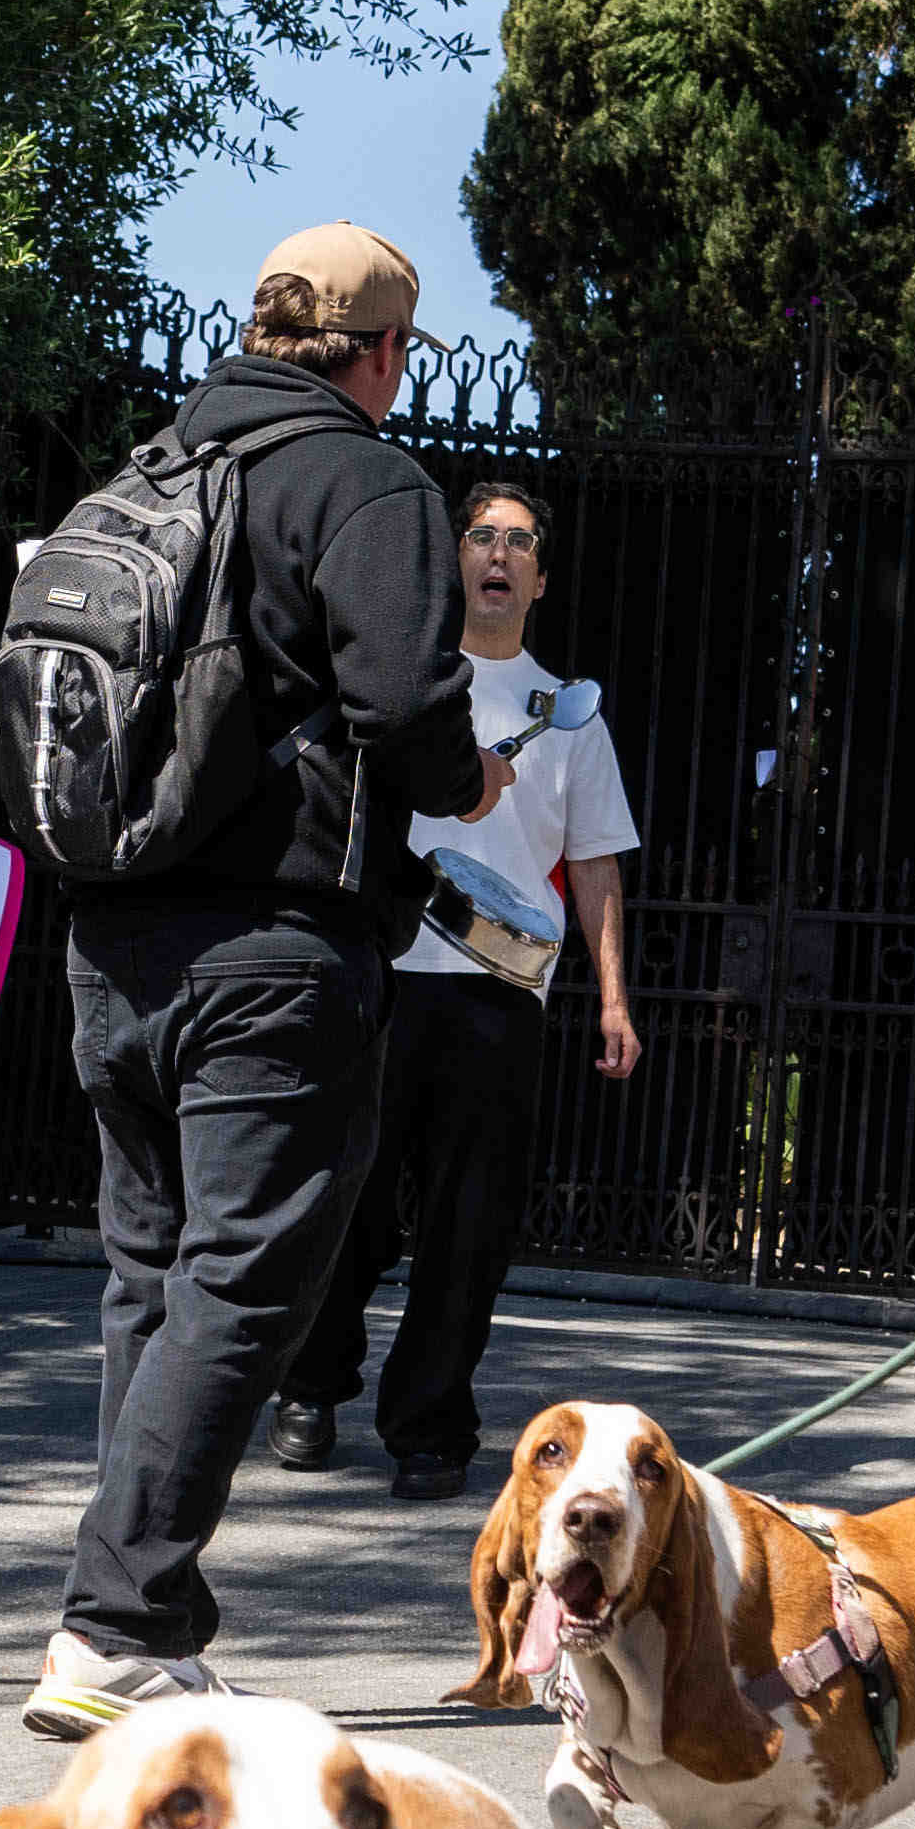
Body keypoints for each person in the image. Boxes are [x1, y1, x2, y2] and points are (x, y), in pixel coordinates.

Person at [23, 226, 496, 1742]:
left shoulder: (149, 467)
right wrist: (470, 779)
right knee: (247, 1277)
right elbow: (407, 699)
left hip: (110, 929)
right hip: (271, 949)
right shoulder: (364, 477)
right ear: (382, 352)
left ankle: (136, 1620)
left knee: (150, 1275)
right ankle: (117, 1616)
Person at [275, 479, 640, 1494]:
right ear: (454, 558)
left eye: (519, 540)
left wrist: (611, 999)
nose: (498, 551)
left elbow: (599, 863)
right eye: (481, 533)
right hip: (381, 972)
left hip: (498, 997)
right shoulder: (404, 685)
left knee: (466, 1225)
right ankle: (308, 1384)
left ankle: (429, 1421)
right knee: (343, 1200)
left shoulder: (569, 716)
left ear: (539, 578)